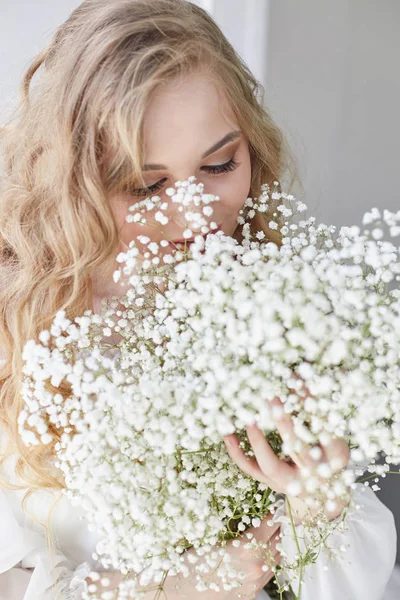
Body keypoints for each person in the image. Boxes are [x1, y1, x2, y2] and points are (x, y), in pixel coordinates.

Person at [0, 1, 398, 598]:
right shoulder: (22, 326)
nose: (196, 217)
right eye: (146, 184)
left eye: (219, 164)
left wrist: (318, 503)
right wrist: (181, 587)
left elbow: (343, 578)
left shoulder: (279, 300)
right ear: (75, 177)